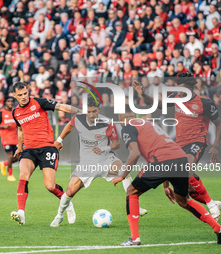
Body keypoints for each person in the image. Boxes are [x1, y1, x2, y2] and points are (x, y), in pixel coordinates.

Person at [113, 106, 221, 246]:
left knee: (132, 191)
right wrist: (166, 185)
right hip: (180, 158)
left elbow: (135, 154)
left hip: (162, 161)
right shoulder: (148, 123)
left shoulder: (127, 126)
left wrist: (122, 176)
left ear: (121, 119)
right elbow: (164, 147)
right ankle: (218, 228)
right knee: (183, 200)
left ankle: (134, 238)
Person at [133, 73, 221, 220]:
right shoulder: (176, 96)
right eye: (178, 89)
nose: (180, 93)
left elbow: (218, 123)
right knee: (184, 189)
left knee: (187, 169)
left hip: (197, 141)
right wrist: (144, 95)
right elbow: (160, 105)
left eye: (183, 90)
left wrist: (216, 146)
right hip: (179, 144)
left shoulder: (204, 103)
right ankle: (212, 202)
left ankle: (211, 206)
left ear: (191, 89)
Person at [50, 98, 147, 227]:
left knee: (124, 170)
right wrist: (59, 140)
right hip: (86, 163)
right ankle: (59, 215)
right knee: (69, 191)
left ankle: (135, 206)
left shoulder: (107, 123)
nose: (91, 115)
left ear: (99, 110)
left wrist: (104, 148)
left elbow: (116, 144)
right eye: (89, 111)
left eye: (94, 111)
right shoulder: (78, 119)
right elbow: (69, 126)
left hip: (105, 159)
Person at [10, 82, 79, 225]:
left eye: (25, 93)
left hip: (47, 148)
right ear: (15, 96)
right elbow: (21, 129)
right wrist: (19, 147)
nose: (24, 97)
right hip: (29, 149)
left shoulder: (39, 102)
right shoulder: (15, 112)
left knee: (50, 186)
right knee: (23, 176)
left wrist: (78, 111)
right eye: (20, 95)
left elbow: (60, 106)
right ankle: (21, 212)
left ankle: (67, 203)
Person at [0, 97, 19, 181]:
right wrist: (4, 126)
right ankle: (10, 175)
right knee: (10, 156)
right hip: (6, 138)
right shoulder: (1, 113)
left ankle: (4, 164)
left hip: (15, 138)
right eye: (8, 101)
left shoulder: (15, 112)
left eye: (12, 101)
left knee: (17, 157)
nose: (10, 103)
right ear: (5, 103)